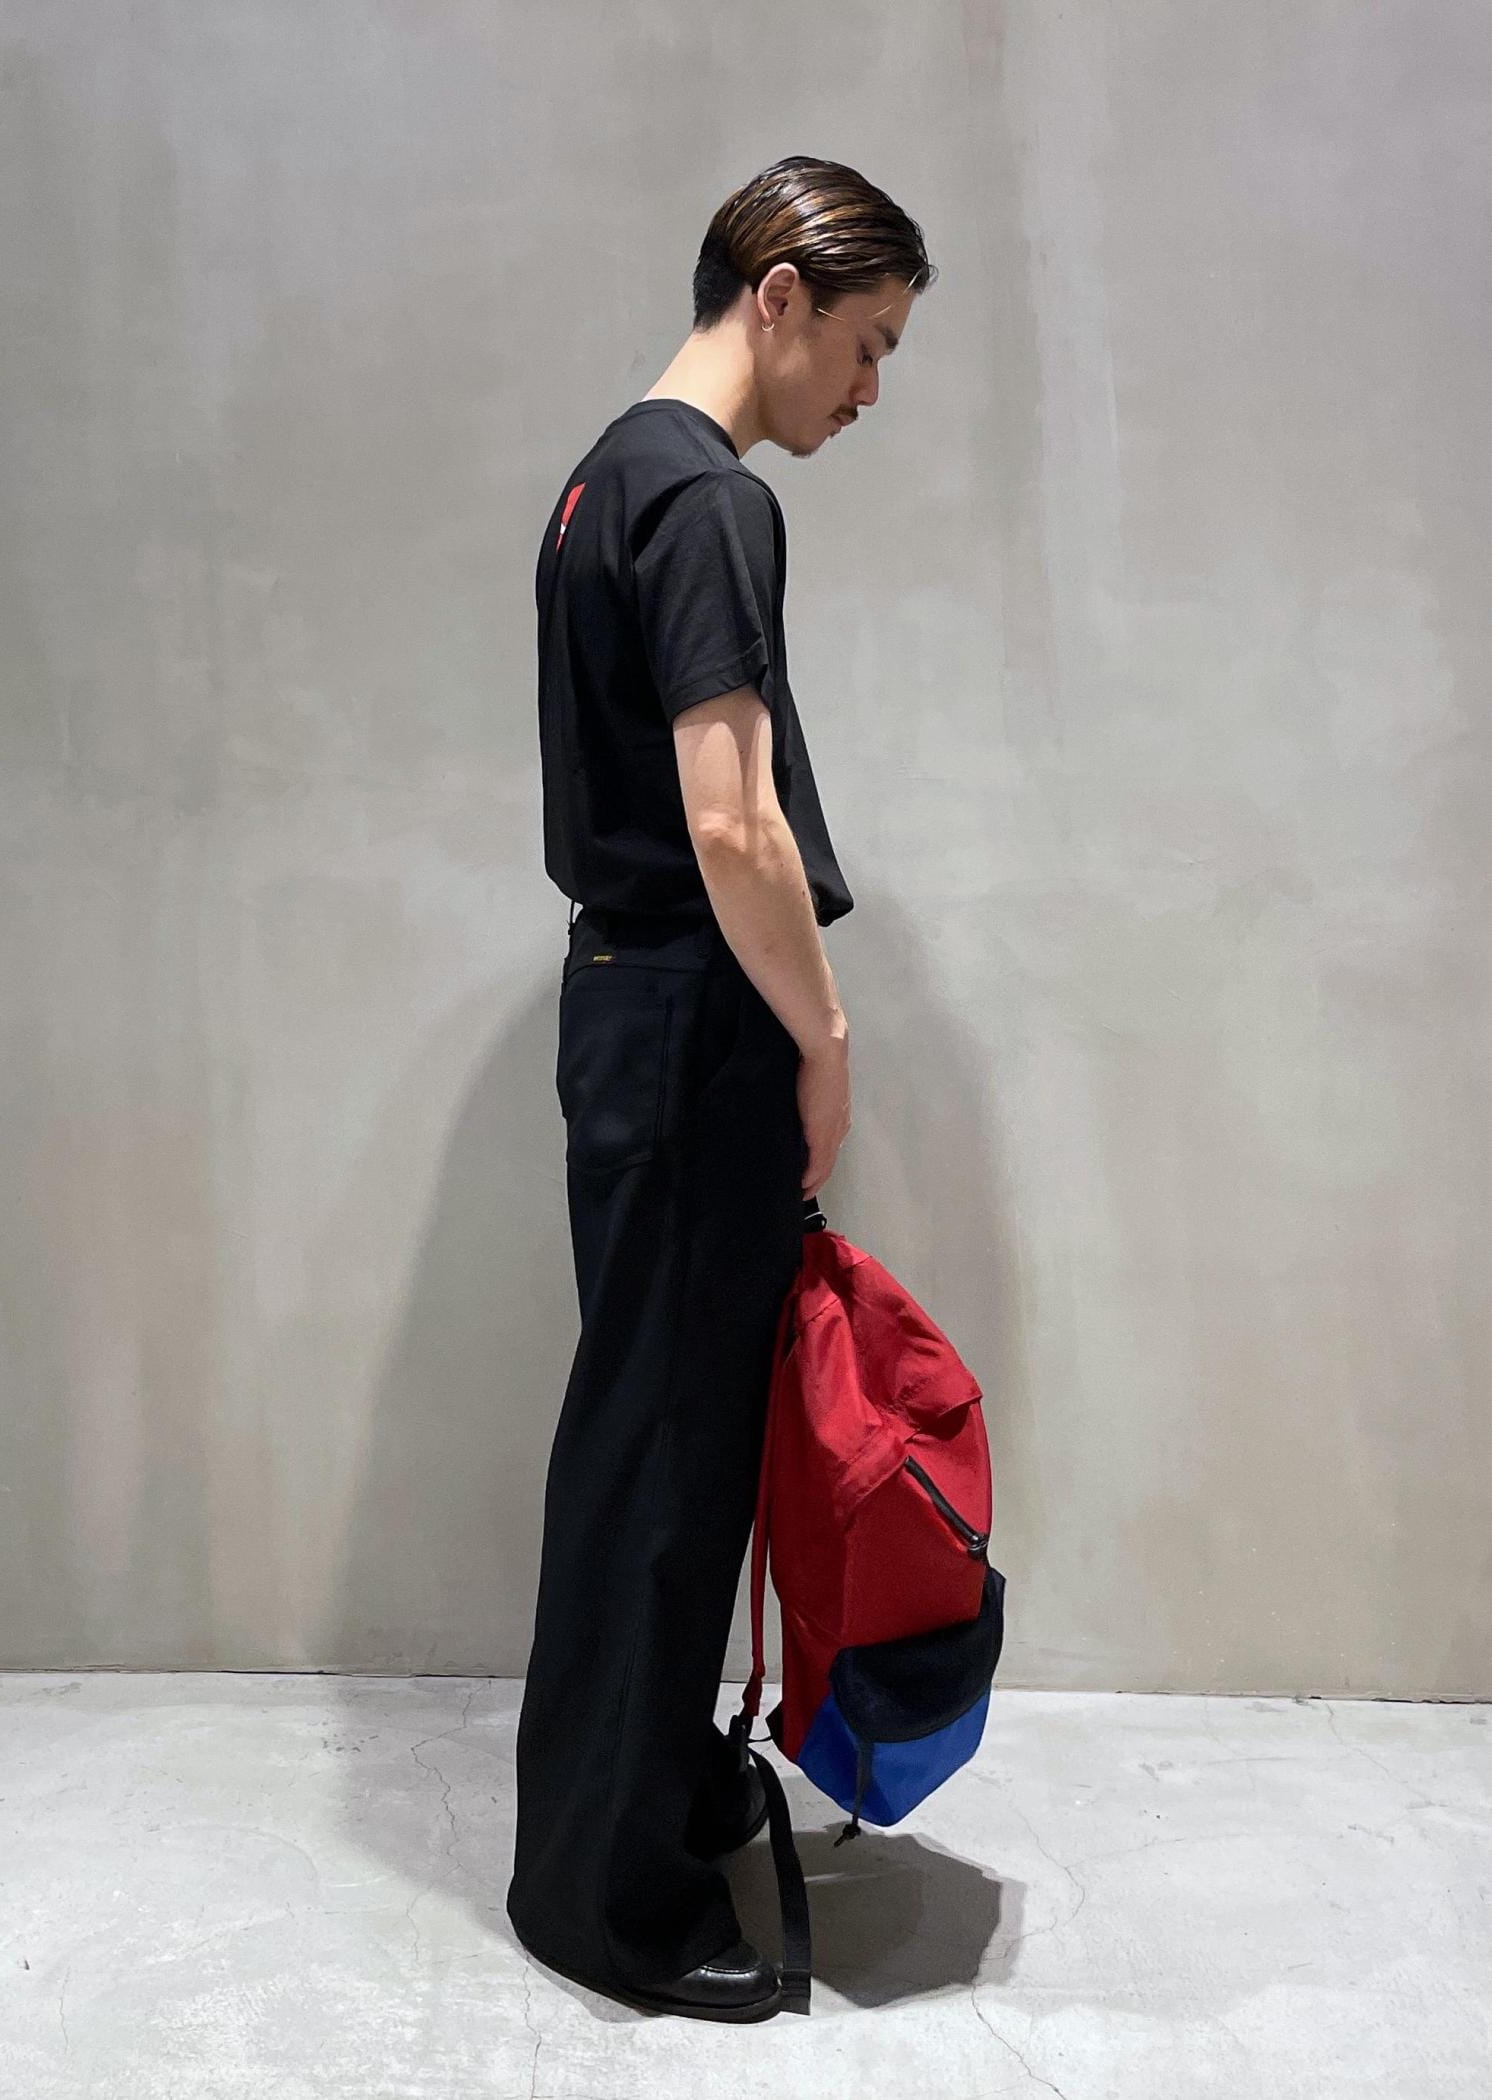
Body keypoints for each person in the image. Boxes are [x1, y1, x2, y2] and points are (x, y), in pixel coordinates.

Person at [506, 155, 934, 2022]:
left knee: (649, 1440)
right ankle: (606, 1902)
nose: (870, 387)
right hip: (694, 1021)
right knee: (667, 1461)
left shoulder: (605, 477)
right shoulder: (708, 499)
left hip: (633, 1008)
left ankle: (645, 1796)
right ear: (777, 296)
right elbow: (732, 819)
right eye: (866, 341)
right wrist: (825, 1039)